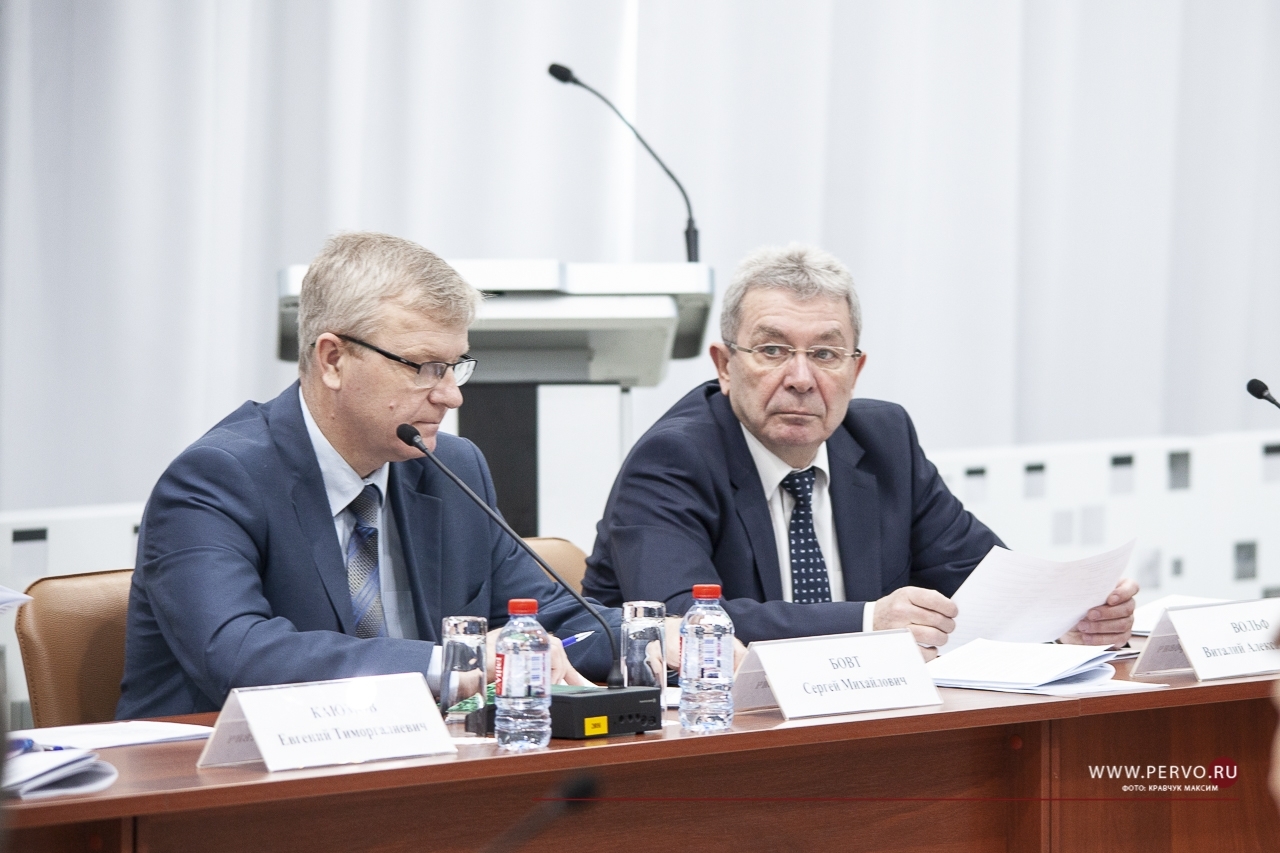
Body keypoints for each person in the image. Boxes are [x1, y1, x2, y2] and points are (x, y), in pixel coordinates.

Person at [118, 232, 620, 718]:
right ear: (333, 360)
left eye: (454, 366)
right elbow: (238, 653)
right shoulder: (217, 478)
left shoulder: (451, 468)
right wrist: (453, 663)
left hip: (420, 757)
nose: (451, 395)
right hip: (221, 764)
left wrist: (655, 637)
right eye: (424, 367)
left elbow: (547, 619)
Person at [582, 244, 1137, 656]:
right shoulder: (673, 457)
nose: (801, 379)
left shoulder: (884, 440)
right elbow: (681, 621)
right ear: (725, 367)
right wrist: (868, 623)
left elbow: (981, 583)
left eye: (826, 354)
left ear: (856, 369)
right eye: (773, 350)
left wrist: (1064, 620)